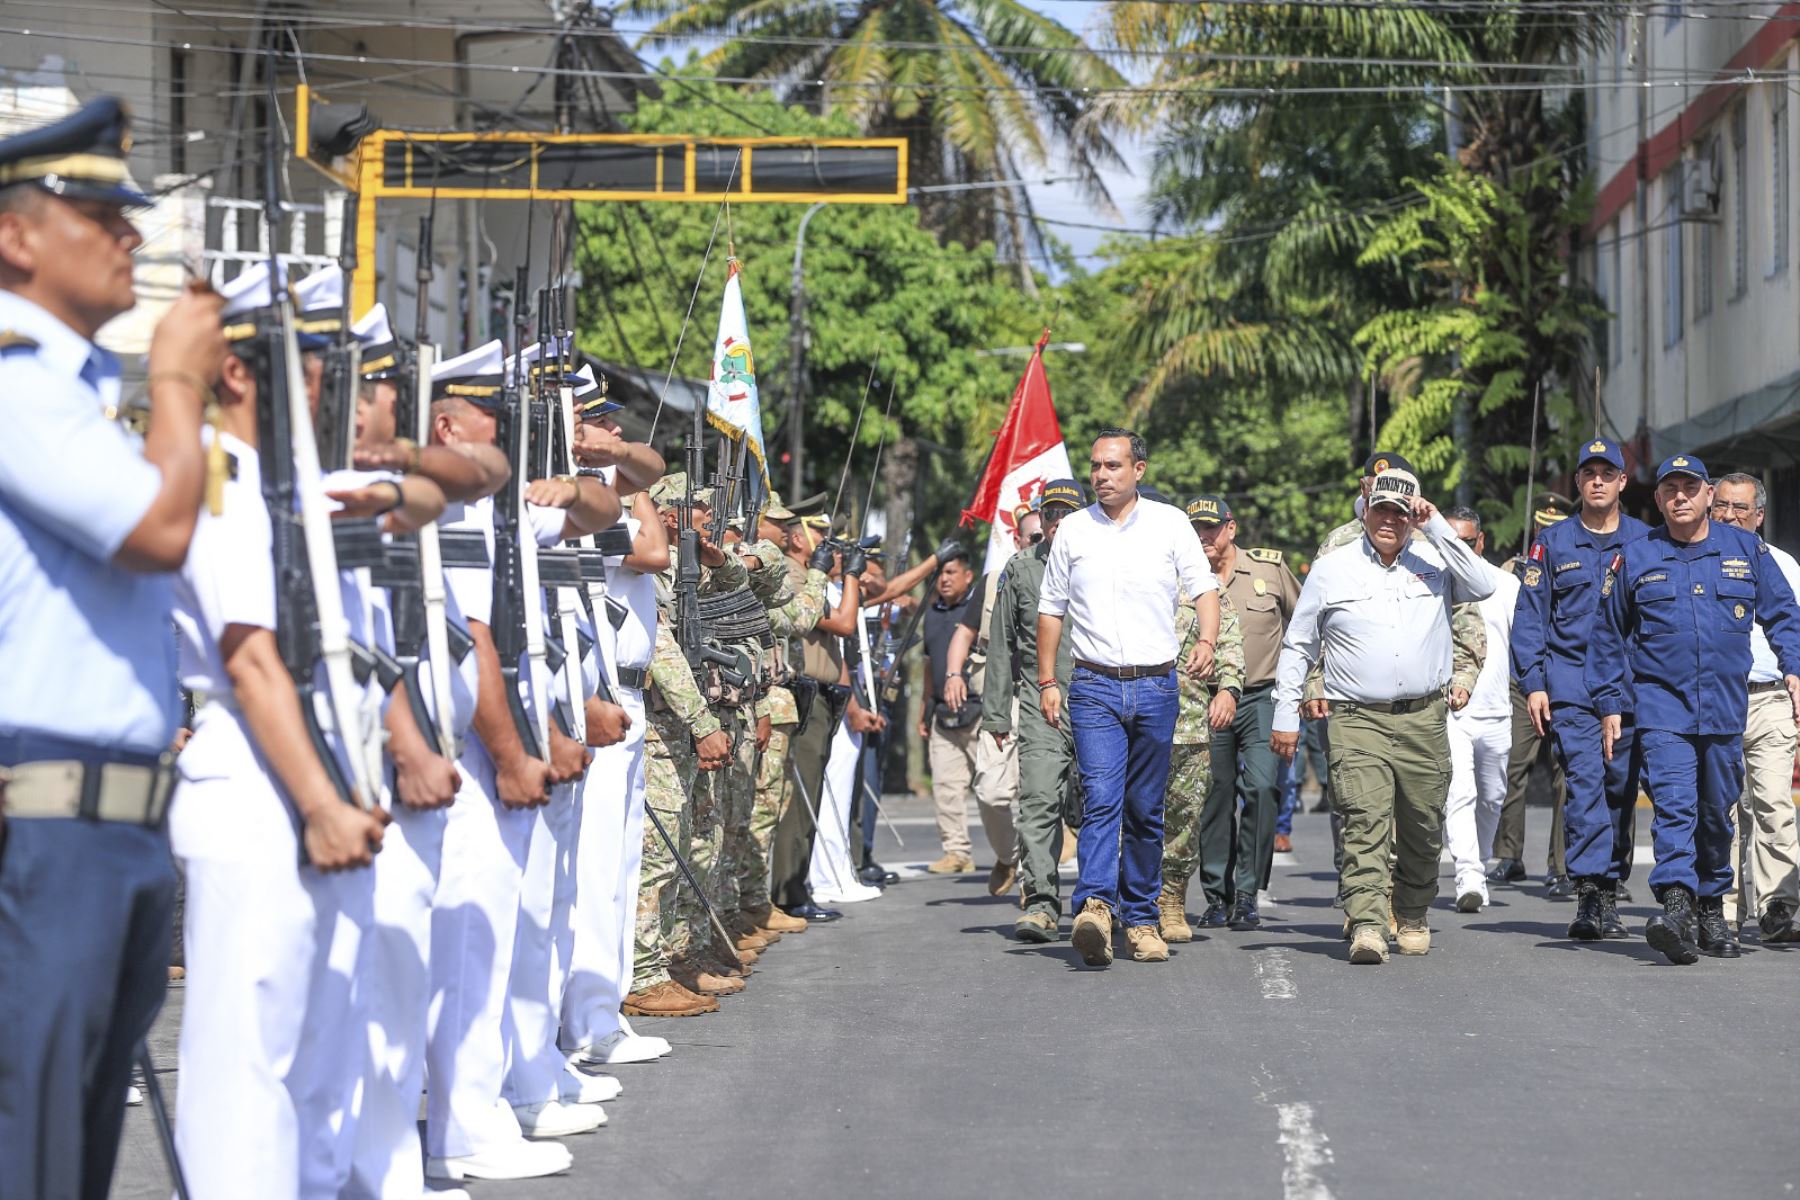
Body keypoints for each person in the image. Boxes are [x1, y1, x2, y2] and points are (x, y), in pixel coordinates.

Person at [0, 95, 225, 1200]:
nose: (129, 237)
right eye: (97, 215)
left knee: (73, 1162)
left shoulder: (76, 398)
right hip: (51, 823)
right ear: (15, 236)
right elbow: (160, 532)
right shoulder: (15, 386)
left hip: (117, 823)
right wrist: (177, 375)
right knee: (32, 1156)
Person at [1272, 469, 1496, 965]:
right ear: (1366, 510)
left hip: (1423, 718)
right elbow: (1299, 643)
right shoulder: (1333, 567)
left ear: (1413, 515)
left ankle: (1412, 913)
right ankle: (1369, 924)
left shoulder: (1435, 559)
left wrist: (1435, 524)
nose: (1389, 520)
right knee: (1364, 821)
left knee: (1423, 824)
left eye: (1400, 512)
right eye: (1381, 510)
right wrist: (1286, 712)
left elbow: (1483, 585)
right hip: (1356, 719)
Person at [1587, 454, 1800, 964]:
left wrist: (1793, 667)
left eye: (1689, 488)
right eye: (1670, 490)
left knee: (1717, 813)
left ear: (1708, 494)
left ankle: (1711, 910)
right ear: (1658, 500)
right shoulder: (1637, 555)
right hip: (1663, 707)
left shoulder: (1746, 550)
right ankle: (1677, 904)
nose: (1679, 497)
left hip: (1726, 708)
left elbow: (1783, 614)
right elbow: (1608, 633)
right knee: (1675, 805)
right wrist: (1610, 703)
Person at [1038, 428, 1221, 968]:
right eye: (1095, 466)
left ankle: (1140, 920)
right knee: (1101, 798)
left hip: (1157, 686)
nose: (1101, 475)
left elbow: (1205, 588)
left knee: (1145, 807)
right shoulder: (1074, 530)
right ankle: (1095, 907)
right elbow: (1051, 608)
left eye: (1113, 466)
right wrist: (1048, 681)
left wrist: (1207, 642)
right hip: (1093, 686)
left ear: (1139, 470)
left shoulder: (1170, 523)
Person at [1511, 438, 1648, 942]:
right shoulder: (1552, 544)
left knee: (1620, 789)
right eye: (1589, 473)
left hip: (1629, 689)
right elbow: (1530, 618)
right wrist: (1534, 683)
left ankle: (1610, 888)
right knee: (1585, 785)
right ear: (1577, 482)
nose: (1597, 481)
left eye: (1607, 473)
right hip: (1571, 686)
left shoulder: (1645, 541)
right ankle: (1590, 893)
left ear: (1621, 482)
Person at [1189, 494, 1301, 930]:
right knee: (1214, 794)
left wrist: (1309, 685)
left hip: (1261, 697)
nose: (1204, 536)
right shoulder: (1183, 576)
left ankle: (1248, 892)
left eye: (1211, 527)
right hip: (1205, 698)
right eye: (1196, 529)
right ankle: (1217, 895)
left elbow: (1306, 623)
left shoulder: (1268, 569)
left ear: (1230, 528)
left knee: (1261, 787)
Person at [982, 479, 1086, 940]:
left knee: (1102, 805)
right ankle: (1041, 903)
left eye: (1067, 513)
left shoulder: (1106, 561)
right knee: (1039, 800)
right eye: (1050, 513)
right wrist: (995, 714)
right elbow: (1001, 644)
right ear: (1041, 519)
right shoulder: (1021, 569)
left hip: (1100, 701)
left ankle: (1105, 904)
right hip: (1041, 705)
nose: (1058, 521)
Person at [1710, 472, 1800, 941]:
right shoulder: (1697, 560)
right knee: (1723, 810)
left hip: (1770, 699)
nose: (1728, 515)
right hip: (1716, 698)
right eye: (1721, 506)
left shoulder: (1783, 565)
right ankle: (1725, 911)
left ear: (1759, 515)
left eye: (1739, 508)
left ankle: (1778, 907)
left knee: (1773, 804)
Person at [919, 545, 1018, 885]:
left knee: (998, 787)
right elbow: (930, 665)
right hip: (944, 710)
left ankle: (1024, 854)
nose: (944, 580)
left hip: (981, 708)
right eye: (940, 574)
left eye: (951, 573)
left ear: (968, 576)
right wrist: (924, 708)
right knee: (946, 787)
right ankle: (957, 851)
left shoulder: (980, 603)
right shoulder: (932, 613)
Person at [1490, 493, 1574, 887]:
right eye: (1543, 526)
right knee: (1512, 767)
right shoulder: (1514, 569)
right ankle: (1509, 854)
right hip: (1523, 679)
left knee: (1566, 775)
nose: (1547, 533)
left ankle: (1562, 865)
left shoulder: (1577, 561)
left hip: (1564, 676)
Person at [1440, 507, 1516, 913]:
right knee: (1460, 793)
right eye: (1451, 542)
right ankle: (1468, 876)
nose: (1460, 551)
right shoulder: (1435, 581)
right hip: (1452, 712)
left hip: (1497, 710)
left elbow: (1526, 643)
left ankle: (1480, 864)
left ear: (1481, 542)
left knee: (1492, 797)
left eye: (1467, 543)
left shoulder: (1505, 584)